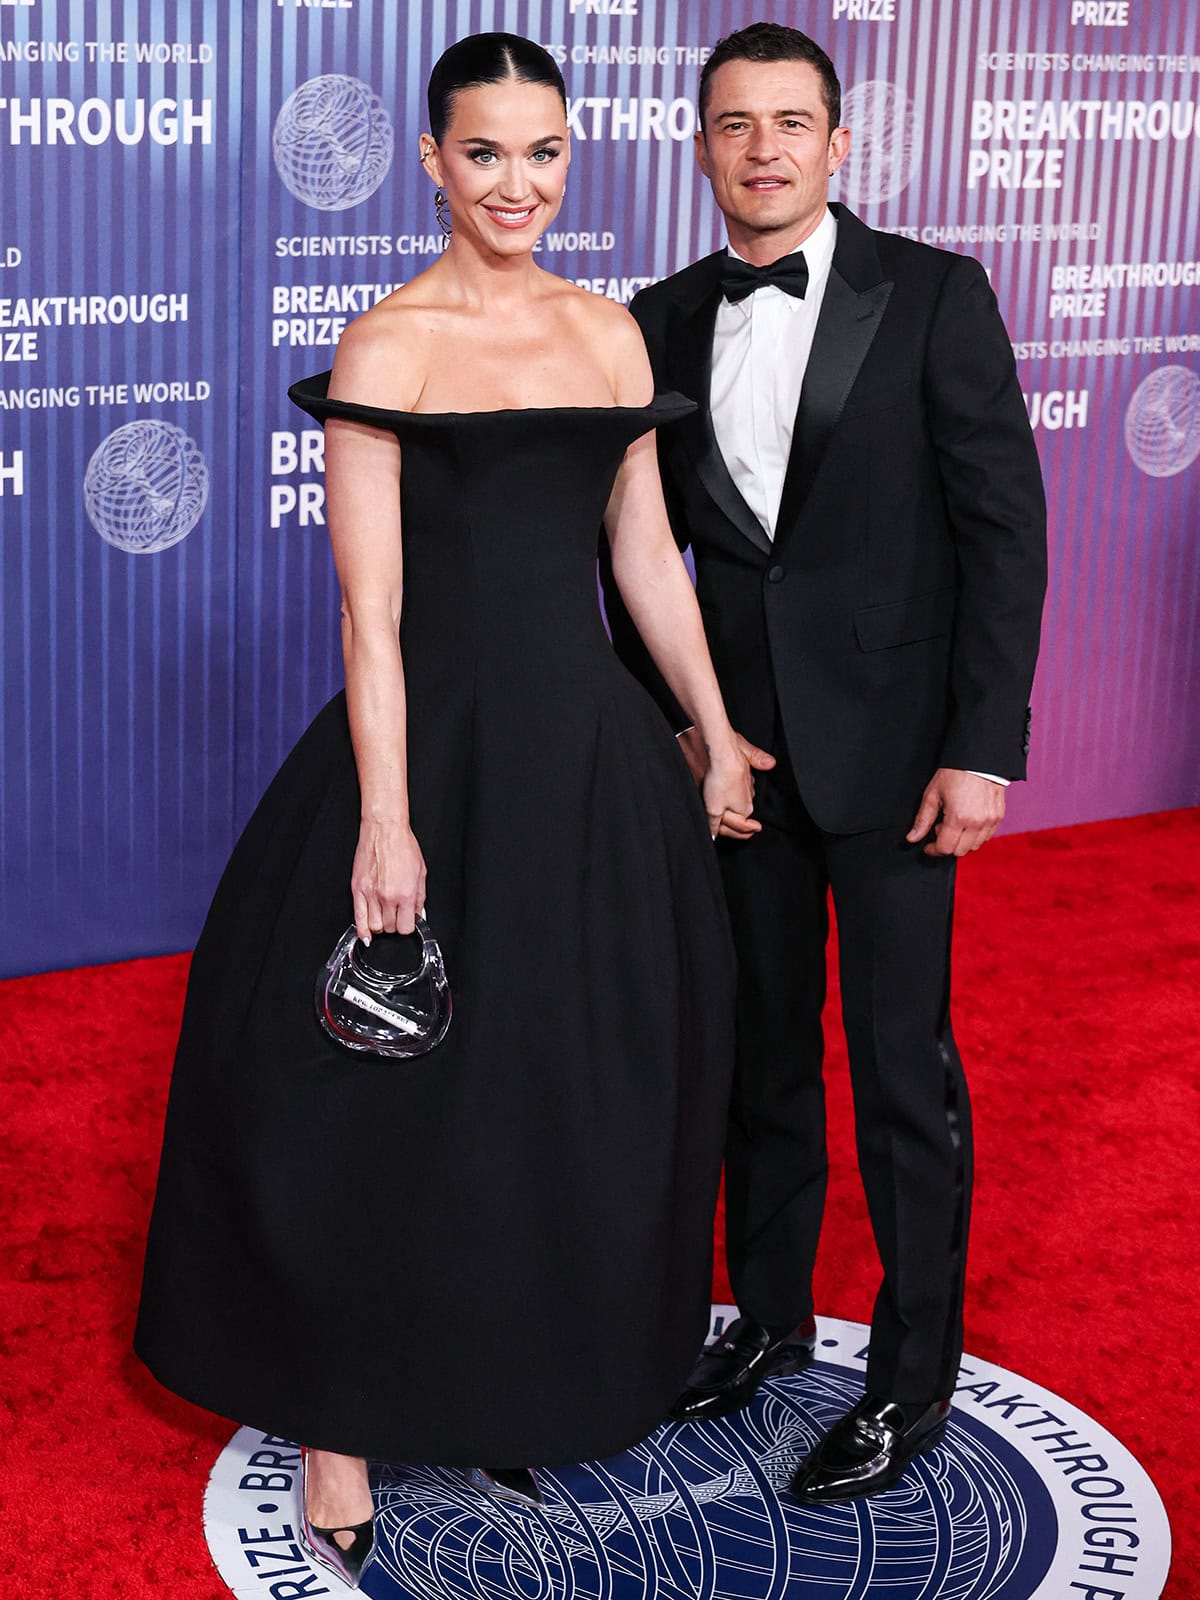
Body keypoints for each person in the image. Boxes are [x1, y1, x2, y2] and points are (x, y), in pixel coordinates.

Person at [136, 32, 757, 1589]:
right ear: (432, 161)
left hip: (591, 763)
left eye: (543, 153)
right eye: (484, 154)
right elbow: (373, 613)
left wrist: (715, 728)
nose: (518, 185)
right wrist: (387, 821)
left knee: (550, 1087)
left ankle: (500, 1373)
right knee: (371, 1080)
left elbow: (641, 560)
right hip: (432, 749)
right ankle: (332, 1416)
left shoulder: (611, 336)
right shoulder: (387, 346)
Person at [602, 22, 1047, 1502]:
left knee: (899, 1076)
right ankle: (772, 1324)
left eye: (794, 122)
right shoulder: (655, 317)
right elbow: (623, 554)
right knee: (759, 1061)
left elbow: (1006, 531)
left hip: (905, 761)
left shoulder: (933, 292)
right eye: (737, 124)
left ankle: (913, 1384)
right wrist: (679, 729)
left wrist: (983, 751)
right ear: (704, 145)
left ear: (840, 143)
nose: (767, 148)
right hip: (737, 761)